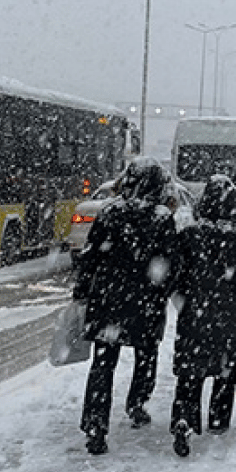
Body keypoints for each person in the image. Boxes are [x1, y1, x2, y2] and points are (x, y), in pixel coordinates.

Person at [73, 157, 179, 455]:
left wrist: (83, 290)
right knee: (146, 355)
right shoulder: (161, 218)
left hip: (108, 300)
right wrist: (161, 291)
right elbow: (170, 264)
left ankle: (96, 423)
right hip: (145, 301)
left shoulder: (109, 214)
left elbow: (90, 256)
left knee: (103, 363)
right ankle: (137, 403)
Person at [169, 174, 236, 457]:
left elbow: (174, 276)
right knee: (225, 372)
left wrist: (184, 297)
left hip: (194, 316)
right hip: (233, 320)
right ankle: (218, 420)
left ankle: (184, 418)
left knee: (189, 375)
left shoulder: (190, 236)